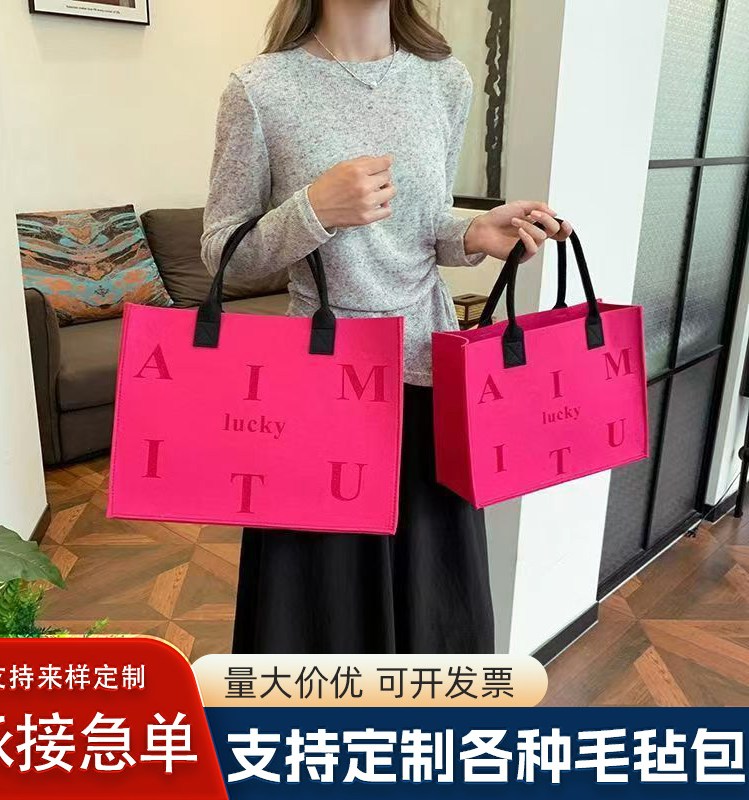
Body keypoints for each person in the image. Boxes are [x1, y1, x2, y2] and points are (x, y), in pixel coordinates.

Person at [201, 0, 573, 654]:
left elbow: (425, 225)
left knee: (435, 606)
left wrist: (472, 234)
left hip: (428, 374)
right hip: (319, 385)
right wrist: (313, 209)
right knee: (320, 615)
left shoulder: (445, 79)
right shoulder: (260, 90)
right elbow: (222, 251)